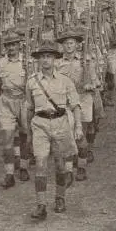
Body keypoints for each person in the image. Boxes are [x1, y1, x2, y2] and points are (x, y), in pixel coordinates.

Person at [25, 40, 83, 220]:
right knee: (41, 163)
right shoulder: (32, 82)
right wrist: (28, 132)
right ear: (38, 60)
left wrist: (78, 126)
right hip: (40, 124)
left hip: (60, 124)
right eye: (42, 57)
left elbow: (75, 105)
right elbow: (29, 108)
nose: (45, 61)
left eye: (49, 56)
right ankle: (41, 204)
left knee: (60, 165)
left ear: (55, 60)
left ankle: (60, 198)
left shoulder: (65, 81)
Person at [55, 28, 100, 182]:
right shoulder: (58, 63)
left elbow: (95, 80)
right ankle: (69, 168)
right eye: (66, 43)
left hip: (83, 98)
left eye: (71, 43)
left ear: (77, 45)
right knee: (68, 133)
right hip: (66, 102)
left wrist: (91, 84)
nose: (68, 46)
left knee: (81, 135)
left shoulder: (85, 61)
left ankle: (81, 167)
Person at [0, 30, 31, 189]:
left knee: (25, 135)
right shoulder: (0, 63)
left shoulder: (27, 62)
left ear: (19, 45)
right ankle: (9, 174)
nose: (11, 48)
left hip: (24, 100)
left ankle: (23, 166)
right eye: (8, 45)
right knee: (7, 138)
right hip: (6, 101)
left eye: (14, 44)